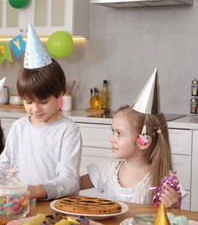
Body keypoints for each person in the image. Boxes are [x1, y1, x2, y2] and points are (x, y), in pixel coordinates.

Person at [0, 23, 82, 200]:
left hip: (56, 207)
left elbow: (69, 180)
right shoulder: (19, 126)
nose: (35, 109)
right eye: (28, 102)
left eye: (43, 102)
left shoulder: (68, 130)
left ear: (60, 94)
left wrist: (35, 191)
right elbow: (3, 168)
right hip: (21, 204)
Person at [80, 69, 186, 209]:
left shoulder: (163, 180)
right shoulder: (107, 171)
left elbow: (173, 222)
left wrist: (170, 206)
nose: (112, 139)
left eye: (119, 133)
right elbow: (70, 184)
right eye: (113, 132)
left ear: (144, 142)